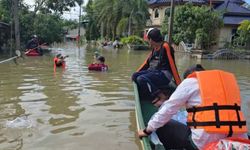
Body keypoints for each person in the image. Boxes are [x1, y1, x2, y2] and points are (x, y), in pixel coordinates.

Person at [138, 64, 248, 150]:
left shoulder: (190, 81)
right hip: (237, 142)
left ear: (188, 77)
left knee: (162, 125)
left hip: (204, 145)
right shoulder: (229, 84)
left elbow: (168, 109)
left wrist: (147, 130)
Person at [132, 28, 181, 101]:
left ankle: (161, 96)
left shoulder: (165, 46)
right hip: (154, 73)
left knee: (141, 79)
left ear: (151, 40)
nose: (148, 42)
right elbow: (146, 63)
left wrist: (180, 86)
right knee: (135, 76)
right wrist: (136, 73)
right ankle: (149, 95)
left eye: (148, 40)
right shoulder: (154, 49)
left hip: (164, 75)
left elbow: (172, 65)